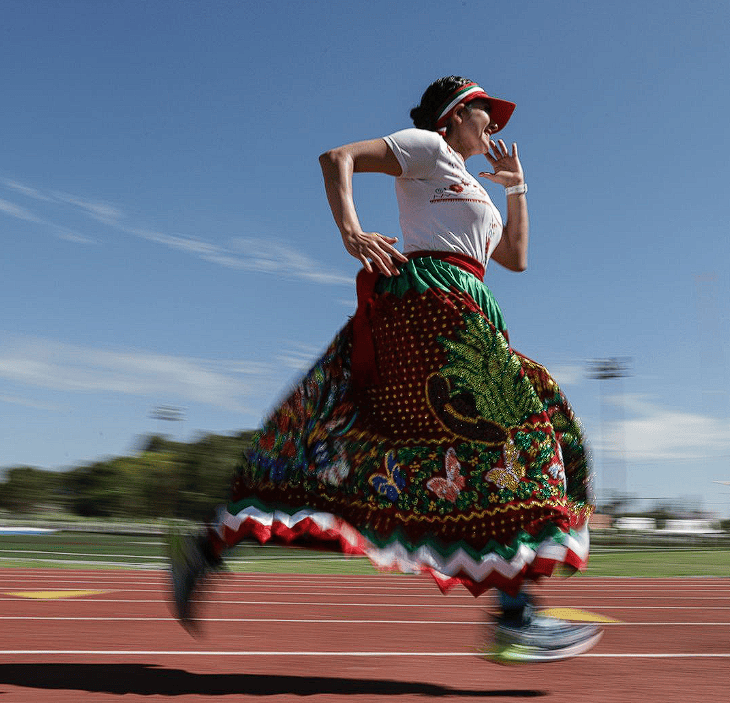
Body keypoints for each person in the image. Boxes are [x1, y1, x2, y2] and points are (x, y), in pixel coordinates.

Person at [169, 75, 602, 664]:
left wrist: (516, 186)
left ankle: (209, 546)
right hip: (428, 310)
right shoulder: (429, 148)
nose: (493, 124)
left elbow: (516, 259)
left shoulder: (472, 188)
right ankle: (515, 618)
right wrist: (351, 231)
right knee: (521, 430)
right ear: (451, 118)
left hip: (464, 310)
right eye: (483, 112)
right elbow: (337, 157)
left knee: (372, 452)